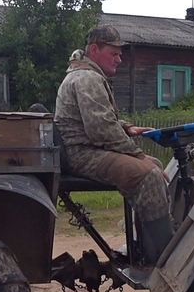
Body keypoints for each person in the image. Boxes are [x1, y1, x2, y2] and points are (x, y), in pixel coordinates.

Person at [54, 25, 174, 265]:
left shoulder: (85, 74)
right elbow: (101, 131)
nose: (119, 59)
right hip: (83, 153)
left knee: (156, 165)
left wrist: (126, 127)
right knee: (149, 174)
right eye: (114, 53)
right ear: (95, 49)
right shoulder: (87, 78)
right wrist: (140, 156)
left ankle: (143, 246)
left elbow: (98, 120)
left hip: (87, 148)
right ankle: (168, 256)